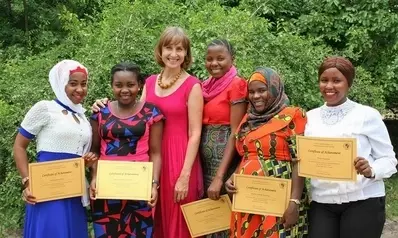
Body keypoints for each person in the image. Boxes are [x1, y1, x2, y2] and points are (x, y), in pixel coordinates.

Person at [305, 56, 397, 238]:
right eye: (324, 80)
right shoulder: (309, 118)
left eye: (337, 80)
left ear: (349, 83)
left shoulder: (367, 115)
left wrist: (371, 170)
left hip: (362, 199)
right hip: (322, 201)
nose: (329, 86)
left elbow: (389, 159)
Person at [13, 60, 97, 238]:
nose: (80, 89)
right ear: (61, 83)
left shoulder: (82, 117)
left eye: (84, 84)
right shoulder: (45, 108)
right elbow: (19, 146)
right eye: (73, 83)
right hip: (47, 190)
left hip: (73, 190)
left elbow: (76, 155)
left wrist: (86, 163)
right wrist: (28, 181)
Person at [225, 67, 309, 238]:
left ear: (274, 89)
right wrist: (233, 177)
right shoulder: (248, 119)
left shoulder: (293, 116)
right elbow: (247, 155)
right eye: (252, 92)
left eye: (262, 90)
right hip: (248, 198)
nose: (256, 96)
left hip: (280, 199)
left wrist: (294, 202)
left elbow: (299, 162)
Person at [89, 62, 163, 237]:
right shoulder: (100, 113)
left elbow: (155, 153)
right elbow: (95, 152)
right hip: (107, 187)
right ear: (112, 86)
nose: (125, 90)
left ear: (140, 85)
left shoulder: (151, 113)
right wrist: (94, 178)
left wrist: (154, 185)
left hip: (139, 186)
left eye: (130, 85)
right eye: (118, 85)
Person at [200, 39, 247, 238]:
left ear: (232, 58)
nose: (214, 63)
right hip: (204, 163)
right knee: (207, 220)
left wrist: (219, 178)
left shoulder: (237, 85)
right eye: (209, 59)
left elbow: (235, 132)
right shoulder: (206, 86)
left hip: (223, 162)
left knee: (223, 220)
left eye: (220, 58)